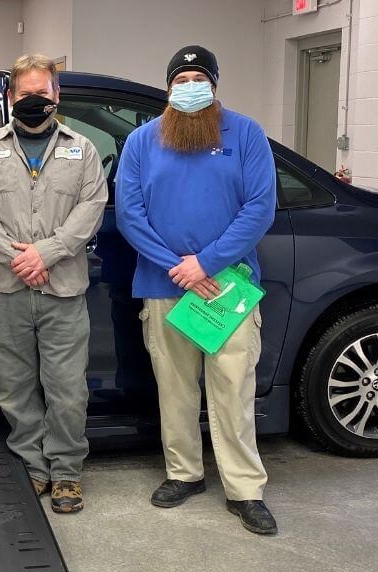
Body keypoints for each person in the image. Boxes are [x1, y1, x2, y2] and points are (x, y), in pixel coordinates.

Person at [115, 45, 278, 535]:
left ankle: (245, 489)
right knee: (175, 387)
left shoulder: (245, 134)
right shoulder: (142, 141)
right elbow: (129, 214)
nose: (189, 87)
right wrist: (178, 267)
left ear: (214, 84)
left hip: (227, 286)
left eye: (197, 78)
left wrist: (206, 262)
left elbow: (260, 207)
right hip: (163, 285)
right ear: (168, 89)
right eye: (180, 79)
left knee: (232, 388)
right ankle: (184, 474)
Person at [0, 53, 107, 514]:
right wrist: (19, 259)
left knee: (67, 388)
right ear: (10, 97)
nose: (33, 101)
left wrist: (45, 254)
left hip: (63, 291)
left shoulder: (82, 151)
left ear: (56, 96)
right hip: (5, 292)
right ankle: (32, 465)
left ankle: (65, 471)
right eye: (25, 94)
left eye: (42, 93)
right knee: (14, 386)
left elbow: (91, 209)